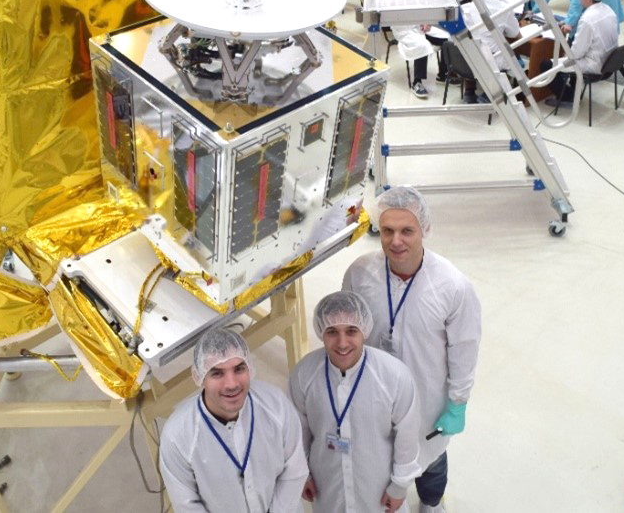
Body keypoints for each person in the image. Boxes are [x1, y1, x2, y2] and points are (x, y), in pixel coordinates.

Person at [343, 186, 482, 513]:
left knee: (430, 460)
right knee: (381, 452)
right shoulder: (360, 274)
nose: (396, 241)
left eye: (407, 231)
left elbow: (464, 348)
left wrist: (457, 403)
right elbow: (346, 333)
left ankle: (432, 503)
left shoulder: (452, 286)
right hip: (373, 392)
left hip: (427, 399)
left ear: (425, 230)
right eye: (388, 231)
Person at [288, 291, 421, 513]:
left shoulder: (393, 376)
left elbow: (407, 435)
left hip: (378, 489)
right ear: (321, 332)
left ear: (365, 331)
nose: (342, 343)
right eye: (332, 332)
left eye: (351, 331)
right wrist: (303, 474)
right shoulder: (304, 374)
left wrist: (399, 485)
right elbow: (296, 431)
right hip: (327, 486)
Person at [160, 329, 308, 513]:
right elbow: (187, 505)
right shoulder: (177, 436)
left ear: (249, 368)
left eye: (239, 369)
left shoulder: (276, 406)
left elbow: (294, 470)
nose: (231, 384)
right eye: (217, 373)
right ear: (199, 377)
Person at [540, 0, 618, 106]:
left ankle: (567, 97)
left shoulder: (588, 19)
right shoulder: (608, 10)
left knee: (546, 65)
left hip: (594, 64)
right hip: (609, 61)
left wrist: (565, 50)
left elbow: (576, 54)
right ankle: (571, 90)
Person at [452, 0, 521, 103]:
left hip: (469, 56)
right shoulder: (506, 8)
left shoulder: (474, 4)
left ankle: (469, 92)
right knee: (510, 58)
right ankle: (489, 94)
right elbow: (515, 34)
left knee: (475, 46)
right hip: (491, 58)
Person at [392, 24, 449, 99]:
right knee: (422, 45)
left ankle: (443, 74)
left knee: (447, 37)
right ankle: (417, 82)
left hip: (419, 26)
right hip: (404, 30)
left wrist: (427, 22)